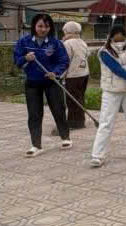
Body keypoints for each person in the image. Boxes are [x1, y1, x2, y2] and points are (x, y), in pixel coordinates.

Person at [89, 24, 126, 167]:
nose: (120, 41)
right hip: (112, 91)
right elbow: (118, 70)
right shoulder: (104, 52)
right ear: (111, 37)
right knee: (106, 123)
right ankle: (97, 155)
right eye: (117, 38)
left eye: (122, 38)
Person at [13, 12, 70, 156]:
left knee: (58, 109)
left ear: (50, 27)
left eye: (46, 26)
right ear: (34, 26)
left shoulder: (55, 43)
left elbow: (64, 61)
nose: (43, 29)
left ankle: (65, 137)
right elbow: (17, 60)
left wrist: (55, 72)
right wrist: (25, 58)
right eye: (40, 26)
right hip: (33, 82)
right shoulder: (24, 42)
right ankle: (36, 145)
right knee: (34, 114)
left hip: (52, 81)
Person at [60, 21, 91, 130]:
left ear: (67, 31)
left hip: (73, 75)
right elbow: (87, 54)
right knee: (79, 97)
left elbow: (65, 61)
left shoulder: (67, 44)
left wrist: (60, 75)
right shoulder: (82, 42)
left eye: (64, 31)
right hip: (84, 74)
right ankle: (80, 120)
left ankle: (74, 123)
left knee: (72, 99)